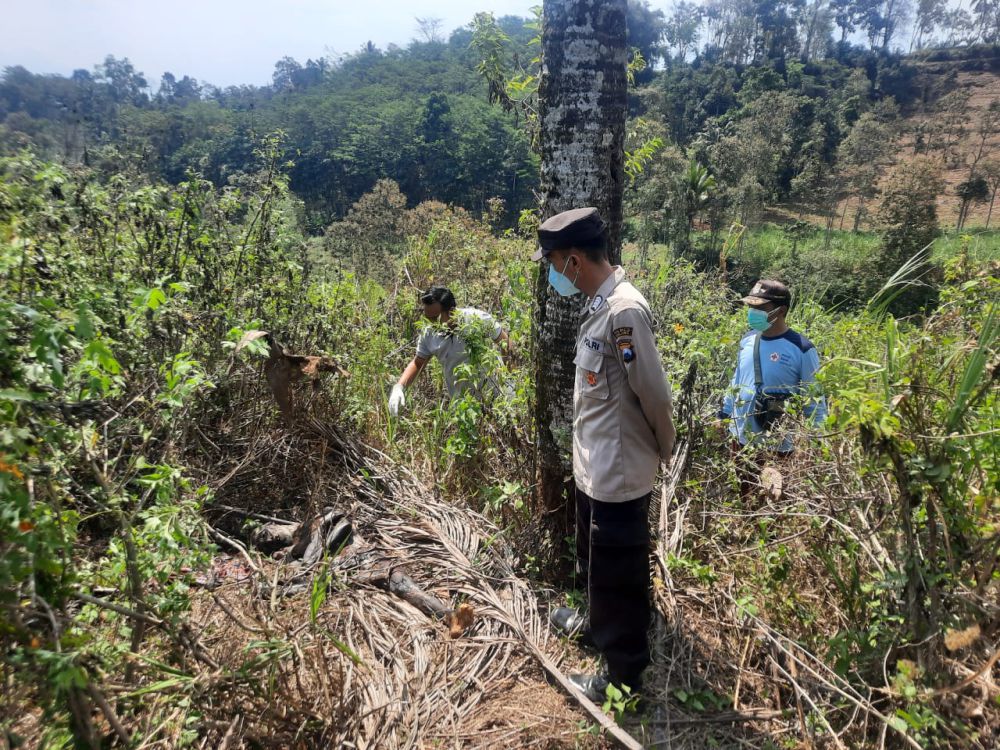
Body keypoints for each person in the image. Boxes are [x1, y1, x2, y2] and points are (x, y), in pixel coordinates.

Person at [532, 207, 675, 702]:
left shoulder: (623, 311)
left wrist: (666, 449)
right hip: (595, 469)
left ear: (573, 260)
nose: (552, 272)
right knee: (595, 562)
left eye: (552, 262)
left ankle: (624, 675)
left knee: (620, 575)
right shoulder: (599, 304)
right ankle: (597, 626)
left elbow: (653, 395)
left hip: (618, 472)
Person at [718, 279, 827, 493]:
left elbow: (815, 400)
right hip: (740, 440)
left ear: (781, 310)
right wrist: (724, 414)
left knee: (772, 507)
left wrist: (818, 443)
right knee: (743, 497)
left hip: (777, 445)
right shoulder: (748, 340)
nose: (752, 312)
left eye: (760, 308)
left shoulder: (802, 349)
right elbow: (737, 381)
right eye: (751, 307)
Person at [388, 286, 510, 417]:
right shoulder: (428, 334)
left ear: (451, 312)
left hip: (496, 398)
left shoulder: (477, 319)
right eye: (428, 318)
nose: (431, 323)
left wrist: (509, 378)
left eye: (435, 318)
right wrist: (399, 386)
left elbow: (505, 342)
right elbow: (418, 363)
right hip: (463, 407)